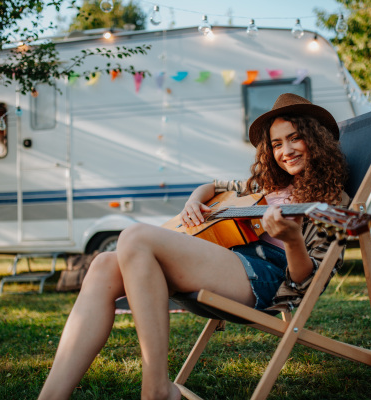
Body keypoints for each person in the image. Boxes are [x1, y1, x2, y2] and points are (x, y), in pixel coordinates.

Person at [38, 93, 349, 400]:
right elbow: (213, 187)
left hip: (268, 277)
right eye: (277, 144)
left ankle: (157, 390)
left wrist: (292, 240)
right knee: (104, 263)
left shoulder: (334, 202)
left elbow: (305, 284)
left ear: (315, 139)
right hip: (231, 261)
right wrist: (192, 203)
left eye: (295, 138)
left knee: (134, 237)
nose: (286, 151)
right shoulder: (264, 184)